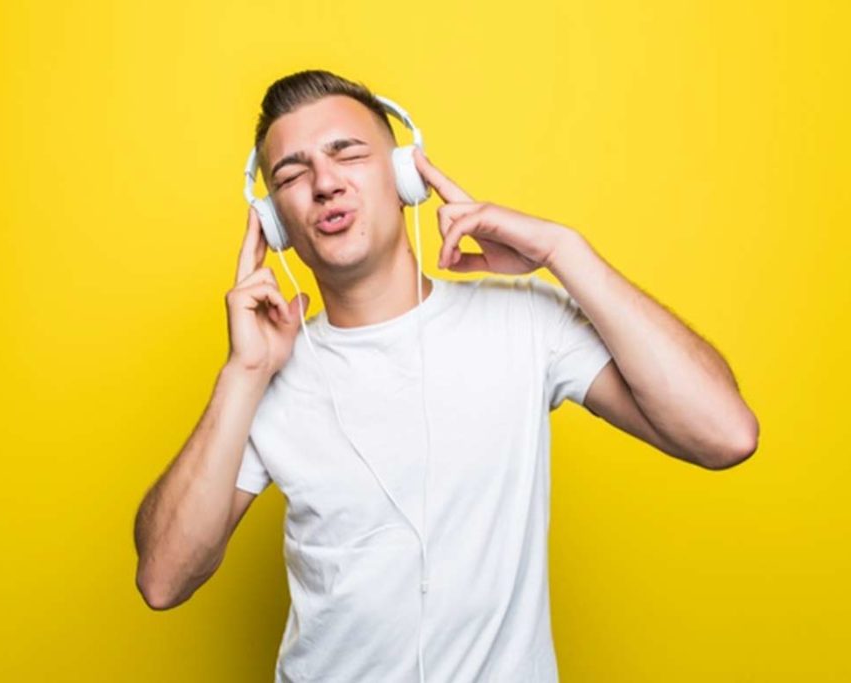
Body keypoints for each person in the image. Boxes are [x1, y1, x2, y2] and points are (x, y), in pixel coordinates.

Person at [133, 70, 759, 682]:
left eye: (347, 154)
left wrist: (565, 252)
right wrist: (243, 371)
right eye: (292, 175)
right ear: (275, 224)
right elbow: (163, 579)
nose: (324, 183)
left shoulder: (524, 323)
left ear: (407, 177)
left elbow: (724, 434)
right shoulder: (267, 374)